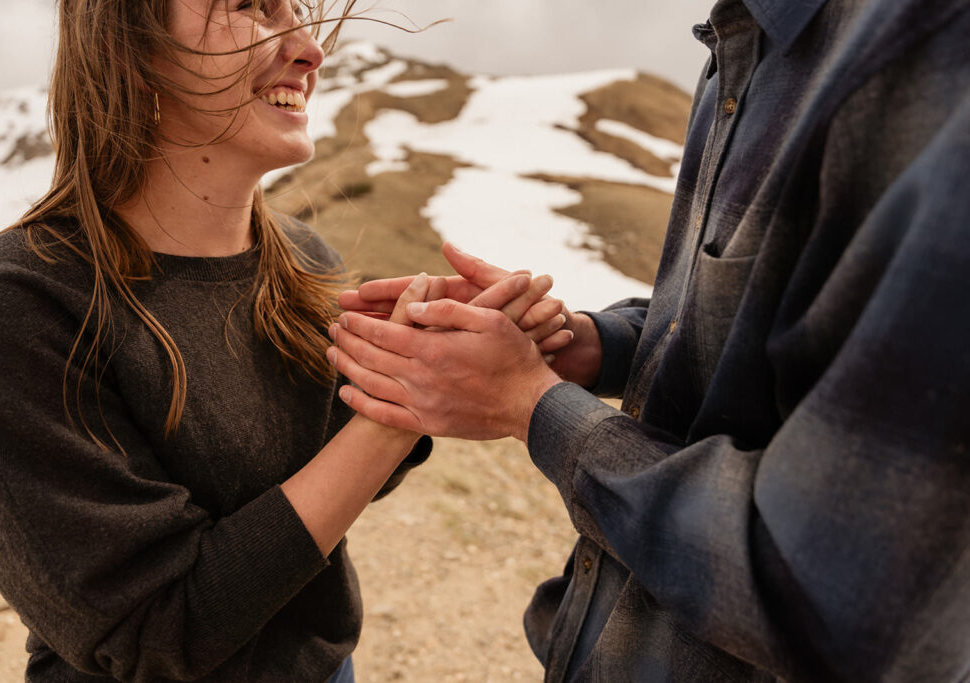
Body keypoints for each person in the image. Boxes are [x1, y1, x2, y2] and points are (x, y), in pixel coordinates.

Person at [329, 0, 970, 680]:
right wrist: (588, 342)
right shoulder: (747, 43)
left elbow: (836, 590)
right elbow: (743, 319)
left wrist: (530, 403)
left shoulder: (930, 56)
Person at [0, 1, 566, 681]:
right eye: (250, 7)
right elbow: (155, 630)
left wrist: (415, 353)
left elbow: (320, 494)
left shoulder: (306, 262)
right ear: (133, 53)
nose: (310, 50)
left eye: (296, 11)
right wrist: (394, 408)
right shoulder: (19, 300)